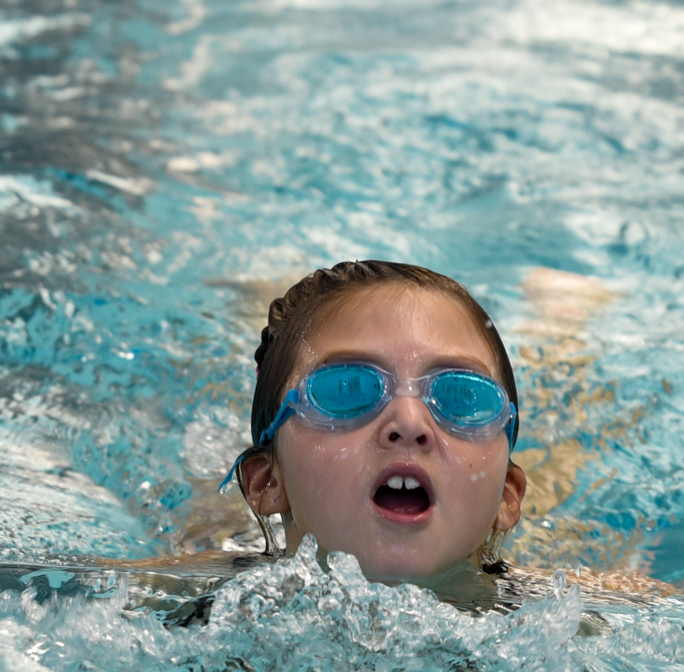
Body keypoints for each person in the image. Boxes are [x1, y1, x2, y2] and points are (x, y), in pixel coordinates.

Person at [224, 260, 531, 609]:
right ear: (268, 482)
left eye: (461, 396)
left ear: (506, 495)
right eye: (346, 389)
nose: (409, 422)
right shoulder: (189, 601)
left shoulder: (566, 612)